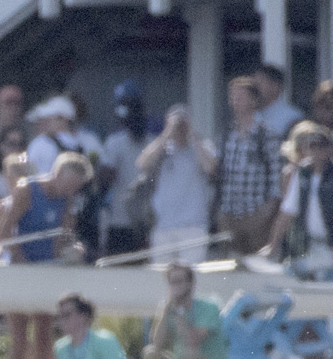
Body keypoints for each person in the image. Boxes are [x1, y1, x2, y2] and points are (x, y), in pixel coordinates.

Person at [0, 151, 93, 359]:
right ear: (57, 174)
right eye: (69, 184)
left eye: (75, 188)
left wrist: (72, 250)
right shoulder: (27, 190)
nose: (70, 191)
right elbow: (5, 233)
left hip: (47, 271)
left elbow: (63, 235)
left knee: (42, 336)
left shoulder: (68, 199)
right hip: (20, 270)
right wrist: (22, 262)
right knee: (18, 337)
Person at [265, 121, 333, 279]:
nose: (316, 151)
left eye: (321, 146)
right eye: (312, 146)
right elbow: (287, 211)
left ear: (330, 149)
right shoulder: (302, 173)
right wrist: (273, 245)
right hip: (309, 247)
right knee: (290, 272)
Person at [141, 262, 232, 359]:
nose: (175, 286)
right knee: (150, 354)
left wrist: (180, 314)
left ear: (190, 283)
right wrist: (165, 311)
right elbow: (156, 343)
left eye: (179, 281)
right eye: (172, 282)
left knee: (189, 355)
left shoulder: (208, 306)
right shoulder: (169, 309)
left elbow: (192, 342)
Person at [135, 105, 217, 264]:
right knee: (161, 275)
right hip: (164, 224)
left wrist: (192, 135)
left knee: (192, 273)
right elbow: (141, 163)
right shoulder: (162, 148)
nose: (180, 127)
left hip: (193, 225)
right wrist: (167, 133)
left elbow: (210, 167)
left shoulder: (201, 146)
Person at [217, 75, 279, 255]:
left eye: (240, 96)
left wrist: (268, 210)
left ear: (253, 100)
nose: (235, 101)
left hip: (255, 213)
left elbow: (276, 174)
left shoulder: (265, 134)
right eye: (233, 96)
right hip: (229, 213)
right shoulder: (227, 133)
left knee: (256, 263)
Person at [97, 80, 149, 256]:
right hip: (120, 220)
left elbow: (104, 178)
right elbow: (105, 181)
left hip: (148, 220)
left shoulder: (152, 140)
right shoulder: (115, 141)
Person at [24, 95, 82, 183]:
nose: (41, 123)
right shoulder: (87, 142)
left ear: (61, 119)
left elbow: (32, 180)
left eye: (47, 119)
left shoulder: (41, 143)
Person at [254, 64, 304, 139]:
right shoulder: (251, 115)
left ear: (276, 86)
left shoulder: (292, 116)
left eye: (260, 82)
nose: (254, 87)